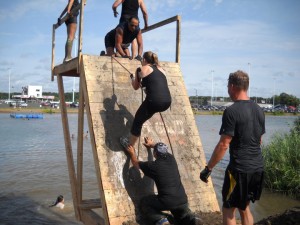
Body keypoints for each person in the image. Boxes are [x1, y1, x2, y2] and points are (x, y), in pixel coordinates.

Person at [200, 70, 265, 225]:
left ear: (232, 86)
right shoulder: (259, 110)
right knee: (244, 207)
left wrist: (208, 168)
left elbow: (223, 145)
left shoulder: (231, 111)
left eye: (228, 86)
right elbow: (259, 141)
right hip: (257, 168)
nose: (227, 90)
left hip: (239, 170)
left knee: (229, 208)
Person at [125, 137, 203, 225]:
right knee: (182, 215)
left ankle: (162, 220)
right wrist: (152, 145)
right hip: (182, 199)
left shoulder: (153, 166)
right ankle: (192, 219)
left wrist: (132, 153)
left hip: (167, 201)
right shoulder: (171, 158)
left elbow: (135, 163)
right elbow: (160, 148)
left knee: (145, 203)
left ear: (155, 154)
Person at [120, 51, 171, 149]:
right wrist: (144, 85)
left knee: (137, 121)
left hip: (154, 101)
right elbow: (155, 83)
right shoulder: (162, 69)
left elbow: (135, 87)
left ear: (144, 60)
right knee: (145, 114)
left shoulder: (141, 69)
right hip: (167, 102)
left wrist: (133, 78)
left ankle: (129, 146)